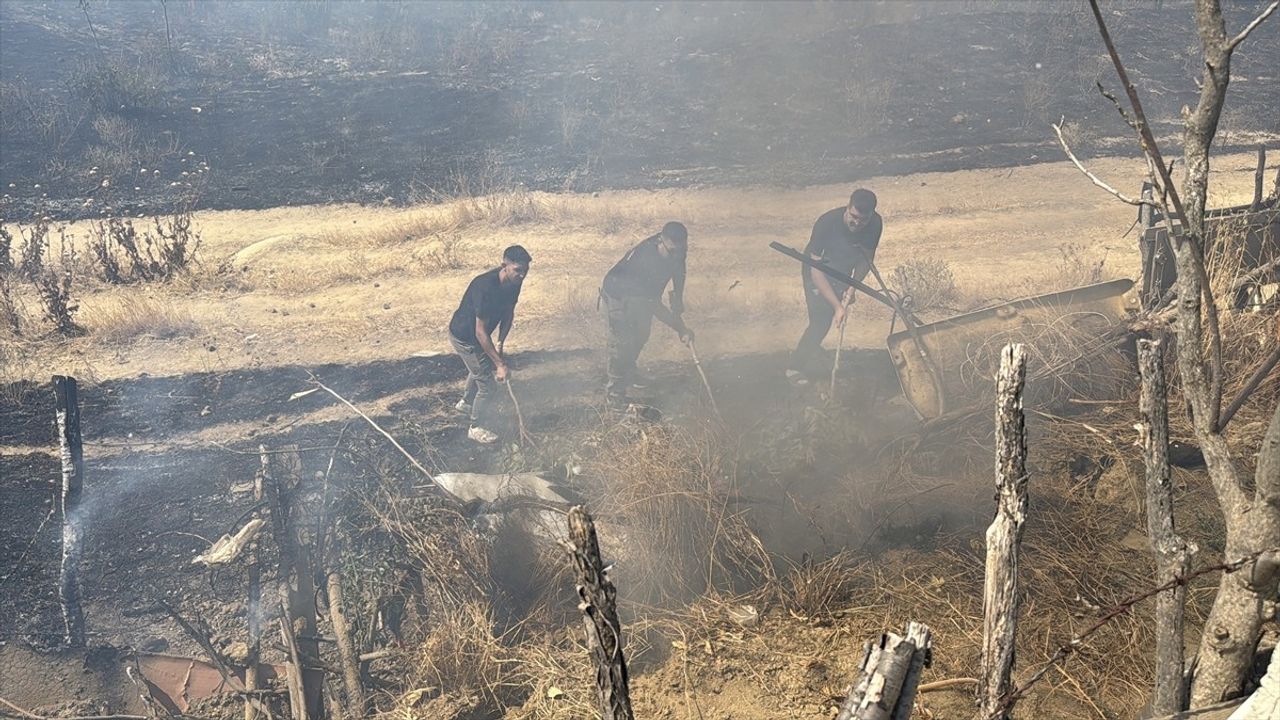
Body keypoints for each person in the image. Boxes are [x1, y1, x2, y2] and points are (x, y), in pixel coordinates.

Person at [788, 188, 882, 385]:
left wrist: (852, 287)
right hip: (816, 270)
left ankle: (813, 348)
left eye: (863, 220)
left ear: (871, 215)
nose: (857, 224)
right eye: (854, 217)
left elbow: (866, 260)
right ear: (847, 208)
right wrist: (839, 307)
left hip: (843, 270)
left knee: (823, 319)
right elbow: (816, 270)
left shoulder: (875, 224)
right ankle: (794, 368)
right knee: (821, 320)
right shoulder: (826, 223)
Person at [601, 221, 694, 407]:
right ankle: (615, 393)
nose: (678, 255)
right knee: (622, 342)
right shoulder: (646, 261)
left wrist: (678, 297)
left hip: (641, 296)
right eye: (673, 251)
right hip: (619, 293)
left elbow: (679, 271)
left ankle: (629, 371)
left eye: (681, 249)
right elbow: (654, 306)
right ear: (662, 241)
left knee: (642, 334)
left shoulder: (677, 251)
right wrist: (681, 328)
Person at [448, 245, 532, 444]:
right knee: (487, 384)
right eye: (518, 270)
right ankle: (476, 427)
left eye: (525, 271)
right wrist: (500, 364)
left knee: (480, 366)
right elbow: (480, 332)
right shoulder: (485, 287)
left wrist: (502, 339)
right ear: (504, 266)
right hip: (464, 336)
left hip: (478, 336)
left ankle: (466, 403)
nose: (522, 275)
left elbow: (508, 313)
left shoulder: (514, 282)